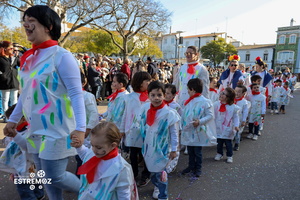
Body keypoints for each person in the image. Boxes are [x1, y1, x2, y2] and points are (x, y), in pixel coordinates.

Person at [3, 5, 86, 199]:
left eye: (32, 21)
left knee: (53, 176)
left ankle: (96, 191)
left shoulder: (62, 56)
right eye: (25, 21)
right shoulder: (28, 58)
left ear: (48, 26)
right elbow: (25, 95)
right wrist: (13, 120)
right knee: (45, 178)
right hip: (35, 130)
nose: (26, 25)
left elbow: (76, 93)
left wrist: (81, 127)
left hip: (57, 129)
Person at [75, 121, 138, 200]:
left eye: (98, 147)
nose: (94, 149)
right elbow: (87, 156)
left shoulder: (121, 168)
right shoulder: (96, 152)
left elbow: (124, 192)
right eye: (92, 145)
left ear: (113, 145)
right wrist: (79, 147)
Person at [140, 81, 180, 200]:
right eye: (153, 95)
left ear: (164, 95)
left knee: (161, 173)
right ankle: (157, 185)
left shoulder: (170, 113)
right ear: (148, 96)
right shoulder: (146, 110)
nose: (156, 98)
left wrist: (174, 149)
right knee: (154, 172)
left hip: (163, 149)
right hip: (150, 149)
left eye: (159, 95)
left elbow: (174, 133)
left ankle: (163, 195)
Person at [0, 105, 45, 200]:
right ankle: (39, 195)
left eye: (13, 120)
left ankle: (38, 196)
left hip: (31, 165)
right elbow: (10, 150)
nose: (10, 123)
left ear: (24, 118)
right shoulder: (13, 131)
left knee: (26, 188)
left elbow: (28, 147)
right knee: (34, 182)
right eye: (8, 120)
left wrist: (15, 136)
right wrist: (12, 169)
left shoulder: (32, 132)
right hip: (20, 166)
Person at [120, 71, 152, 187]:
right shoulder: (129, 97)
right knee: (133, 153)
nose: (149, 82)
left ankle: (146, 174)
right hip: (132, 131)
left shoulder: (151, 97)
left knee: (146, 153)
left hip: (147, 131)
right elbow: (125, 114)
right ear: (139, 82)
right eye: (146, 81)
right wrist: (122, 129)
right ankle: (133, 173)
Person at [181, 78, 216, 177]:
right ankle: (191, 166)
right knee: (190, 150)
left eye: (188, 89)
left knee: (197, 152)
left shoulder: (205, 101)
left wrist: (200, 122)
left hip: (198, 131)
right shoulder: (188, 101)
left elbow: (210, 116)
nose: (187, 91)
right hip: (189, 130)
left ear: (193, 90)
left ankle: (198, 168)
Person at [214, 88, 239, 163]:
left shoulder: (233, 107)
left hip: (228, 128)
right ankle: (219, 153)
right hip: (218, 127)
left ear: (228, 97)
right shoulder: (216, 104)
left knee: (228, 143)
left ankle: (229, 155)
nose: (221, 94)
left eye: (224, 94)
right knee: (219, 142)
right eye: (221, 93)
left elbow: (236, 117)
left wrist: (236, 125)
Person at [0, 41, 20, 123]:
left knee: (14, 99)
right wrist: (2, 75)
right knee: (5, 99)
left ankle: (13, 117)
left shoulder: (14, 58)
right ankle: (6, 117)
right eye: (11, 48)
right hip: (4, 82)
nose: (12, 50)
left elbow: (22, 63)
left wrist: (18, 55)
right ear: (4, 49)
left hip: (14, 81)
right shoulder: (0, 58)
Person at [233, 85, 249, 151]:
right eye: (235, 91)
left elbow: (245, 112)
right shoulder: (231, 100)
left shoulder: (244, 102)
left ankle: (237, 143)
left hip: (239, 120)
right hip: (230, 120)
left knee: (237, 133)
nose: (236, 93)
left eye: (239, 92)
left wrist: (243, 120)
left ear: (243, 93)